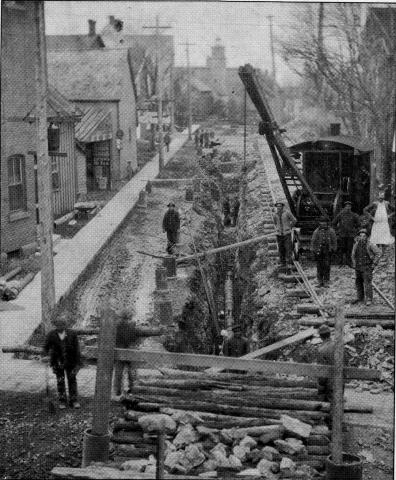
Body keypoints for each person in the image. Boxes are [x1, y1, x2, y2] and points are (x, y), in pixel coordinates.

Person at [43, 315, 82, 409]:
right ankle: (62, 401)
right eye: (58, 325)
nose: (60, 327)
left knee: (72, 380)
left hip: (71, 361)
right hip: (57, 362)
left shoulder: (72, 334)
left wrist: (78, 363)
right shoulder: (51, 334)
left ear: (65, 325)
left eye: (62, 325)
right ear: (55, 325)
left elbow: (77, 349)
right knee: (60, 381)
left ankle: (74, 400)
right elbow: (46, 347)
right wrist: (46, 356)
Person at [351, 228, 381, 306]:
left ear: (367, 237)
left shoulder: (370, 244)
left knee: (367, 283)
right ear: (358, 237)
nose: (362, 237)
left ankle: (369, 299)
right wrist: (354, 264)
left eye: (364, 236)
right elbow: (353, 255)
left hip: (367, 267)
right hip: (358, 267)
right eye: (360, 236)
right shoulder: (356, 244)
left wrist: (374, 264)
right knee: (358, 283)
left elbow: (378, 253)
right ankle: (360, 298)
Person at [113, 311, 138, 396]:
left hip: (121, 349)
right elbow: (134, 338)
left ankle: (118, 391)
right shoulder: (132, 324)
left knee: (119, 372)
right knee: (131, 371)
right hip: (129, 349)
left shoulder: (116, 324)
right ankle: (132, 389)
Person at [311, 216, 337, 287]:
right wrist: (313, 250)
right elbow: (313, 241)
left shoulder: (331, 231)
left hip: (327, 251)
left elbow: (334, 241)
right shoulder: (316, 231)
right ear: (319, 223)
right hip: (319, 251)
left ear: (327, 223)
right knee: (319, 266)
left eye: (325, 222)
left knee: (327, 266)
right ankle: (320, 281)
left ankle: (326, 281)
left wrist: (334, 249)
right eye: (322, 222)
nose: (323, 223)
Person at [332, 201, 360, 266]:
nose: (348, 208)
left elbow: (359, 224)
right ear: (344, 207)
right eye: (347, 206)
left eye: (349, 206)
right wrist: (337, 231)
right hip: (342, 234)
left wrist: (355, 231)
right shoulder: (340, 215)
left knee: (349, 249)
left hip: (350, 235)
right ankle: (340, 262)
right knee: (341, 249)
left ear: (351, 207)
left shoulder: (354, 215)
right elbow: (334, 223)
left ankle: (348, 262)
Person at [273, 200, 297, 271]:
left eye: (280, 206)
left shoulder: (287, 213)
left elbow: (294, 220)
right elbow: (275, 223)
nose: (279, 207)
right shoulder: (275, 214)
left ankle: (289, 262)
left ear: (282, 206)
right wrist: (278, 229)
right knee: (281, 248)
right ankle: (283, 262)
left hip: (287, 234)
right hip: (279, 234)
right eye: (277, 206)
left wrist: (289, 227)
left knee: (288, 248)